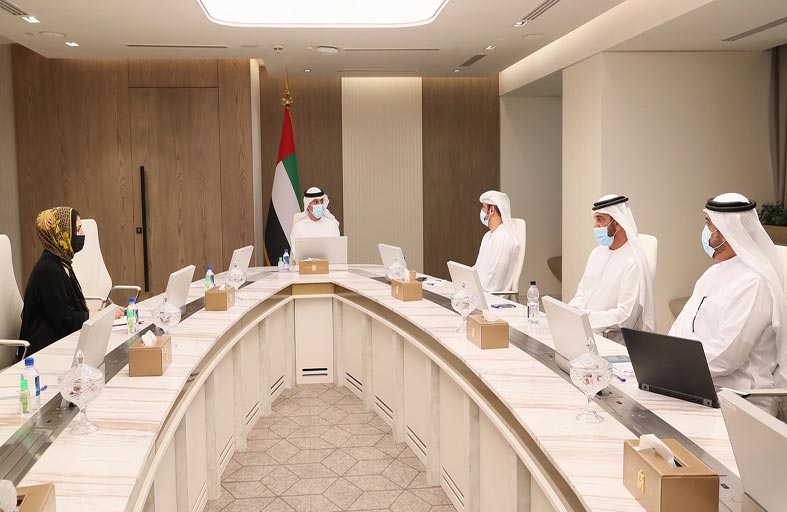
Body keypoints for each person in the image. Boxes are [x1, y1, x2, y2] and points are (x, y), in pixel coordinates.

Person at [670, 193, 786, 415]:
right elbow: (681, 326)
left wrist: (674, 366)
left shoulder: (753, 283)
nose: (706, 233)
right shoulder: (712, 273)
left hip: (739, 400)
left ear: (729, 232)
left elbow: (728, 356)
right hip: (698, 384)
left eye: (711, 226)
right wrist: (665, 358)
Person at [19, 207, 122, 357]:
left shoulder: (61, 262)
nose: (82, 234)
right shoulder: (48, 270)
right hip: (42, 352)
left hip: (59, 342)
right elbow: (64, 320)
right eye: (78, 229)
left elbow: (73, 311)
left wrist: (104, 315)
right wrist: (101, 315)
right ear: (62, 233)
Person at [569, 195, 656, 335]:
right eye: (595, 219)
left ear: (617, 223)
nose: (595, 225)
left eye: (600, 219)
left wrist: (586, 319)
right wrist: (571, 312)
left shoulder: (633, 262)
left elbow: (625, 317)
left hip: (609, 338)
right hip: (581, 329)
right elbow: (582, 293)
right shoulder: (596, 253)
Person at [474, 191, 520, 292]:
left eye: (483, 207)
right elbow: (476, 270)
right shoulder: (488, 236)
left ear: (492, 210)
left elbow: (493, 285)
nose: (481, 211)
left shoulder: (503, 238)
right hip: (477, 293)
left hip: (490, 298)